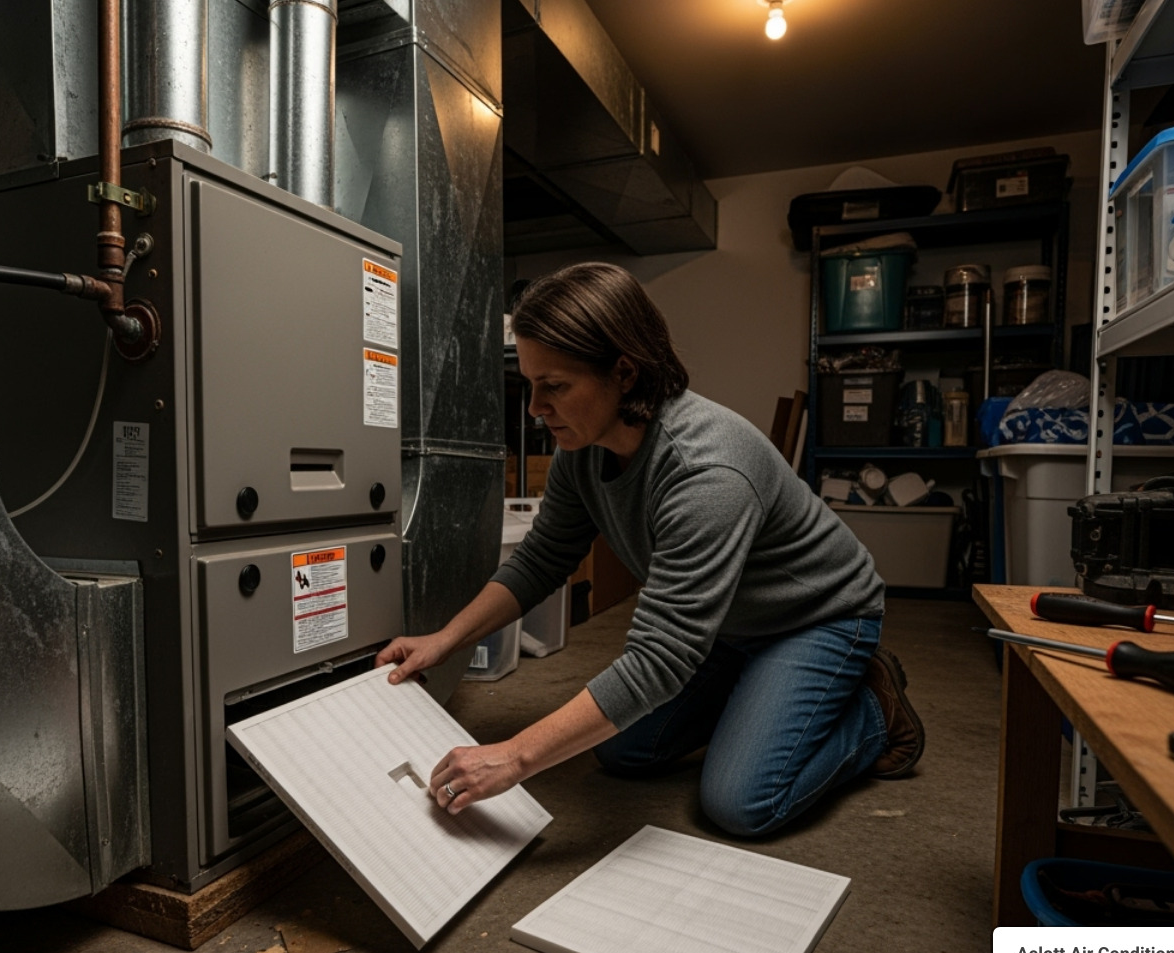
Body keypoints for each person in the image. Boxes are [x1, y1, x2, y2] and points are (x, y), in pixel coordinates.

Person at [375, 262, 924, 837]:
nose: (536, 407)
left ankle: (871, 714)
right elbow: (541, 559)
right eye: (531, 383)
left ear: (625, 373)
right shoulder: (581, 449)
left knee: (741, 803)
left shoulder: (707, 472)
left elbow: (661, 658)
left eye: (554, 386)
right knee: (621, 753)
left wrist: (514, 755)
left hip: (815, 619)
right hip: (726, 626)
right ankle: (756, 698)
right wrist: (445, 639)